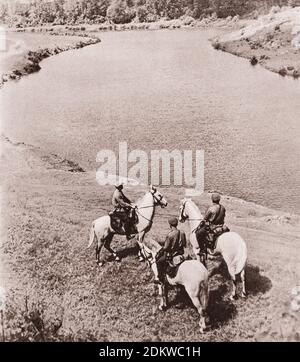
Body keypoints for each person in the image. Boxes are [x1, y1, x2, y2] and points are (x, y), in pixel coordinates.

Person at [156, 217, 187, 283]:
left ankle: (161, 278)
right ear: (177, 224)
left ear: (170, 225)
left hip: (172, 255)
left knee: (159, 262)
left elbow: (166, 247)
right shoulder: (182, 233)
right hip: (181, 254)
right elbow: (184, 244)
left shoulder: (170, 235)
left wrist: (162, 248)